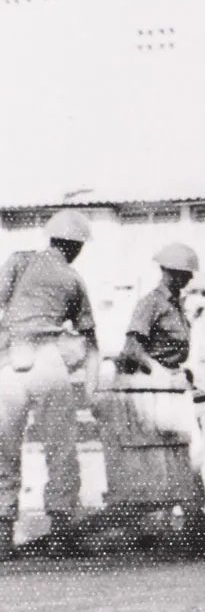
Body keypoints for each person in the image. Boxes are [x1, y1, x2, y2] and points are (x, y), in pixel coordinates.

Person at [0, 210, 99, 555]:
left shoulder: (18, 261)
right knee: (60, 448)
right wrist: (92, 391)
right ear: (77, 246)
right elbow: (91, 341)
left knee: (3, 448)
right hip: (48, 361)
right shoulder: (73, 279)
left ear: (51, 238)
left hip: (11, 360)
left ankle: (2, 537)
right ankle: (60, 534)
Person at [112, 243, 205, 538]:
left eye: (189, 274)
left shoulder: (176, 305)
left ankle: (194, 517)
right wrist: (158, 373)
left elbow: (177, 352)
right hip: (152, 389)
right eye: (183, 273)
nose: (188, 278)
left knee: (192, 450)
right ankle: (159, 522)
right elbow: (132, 349)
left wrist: (190, 373)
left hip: (173, 385)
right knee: (163, 454)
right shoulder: (151, 303)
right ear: (168, 271)